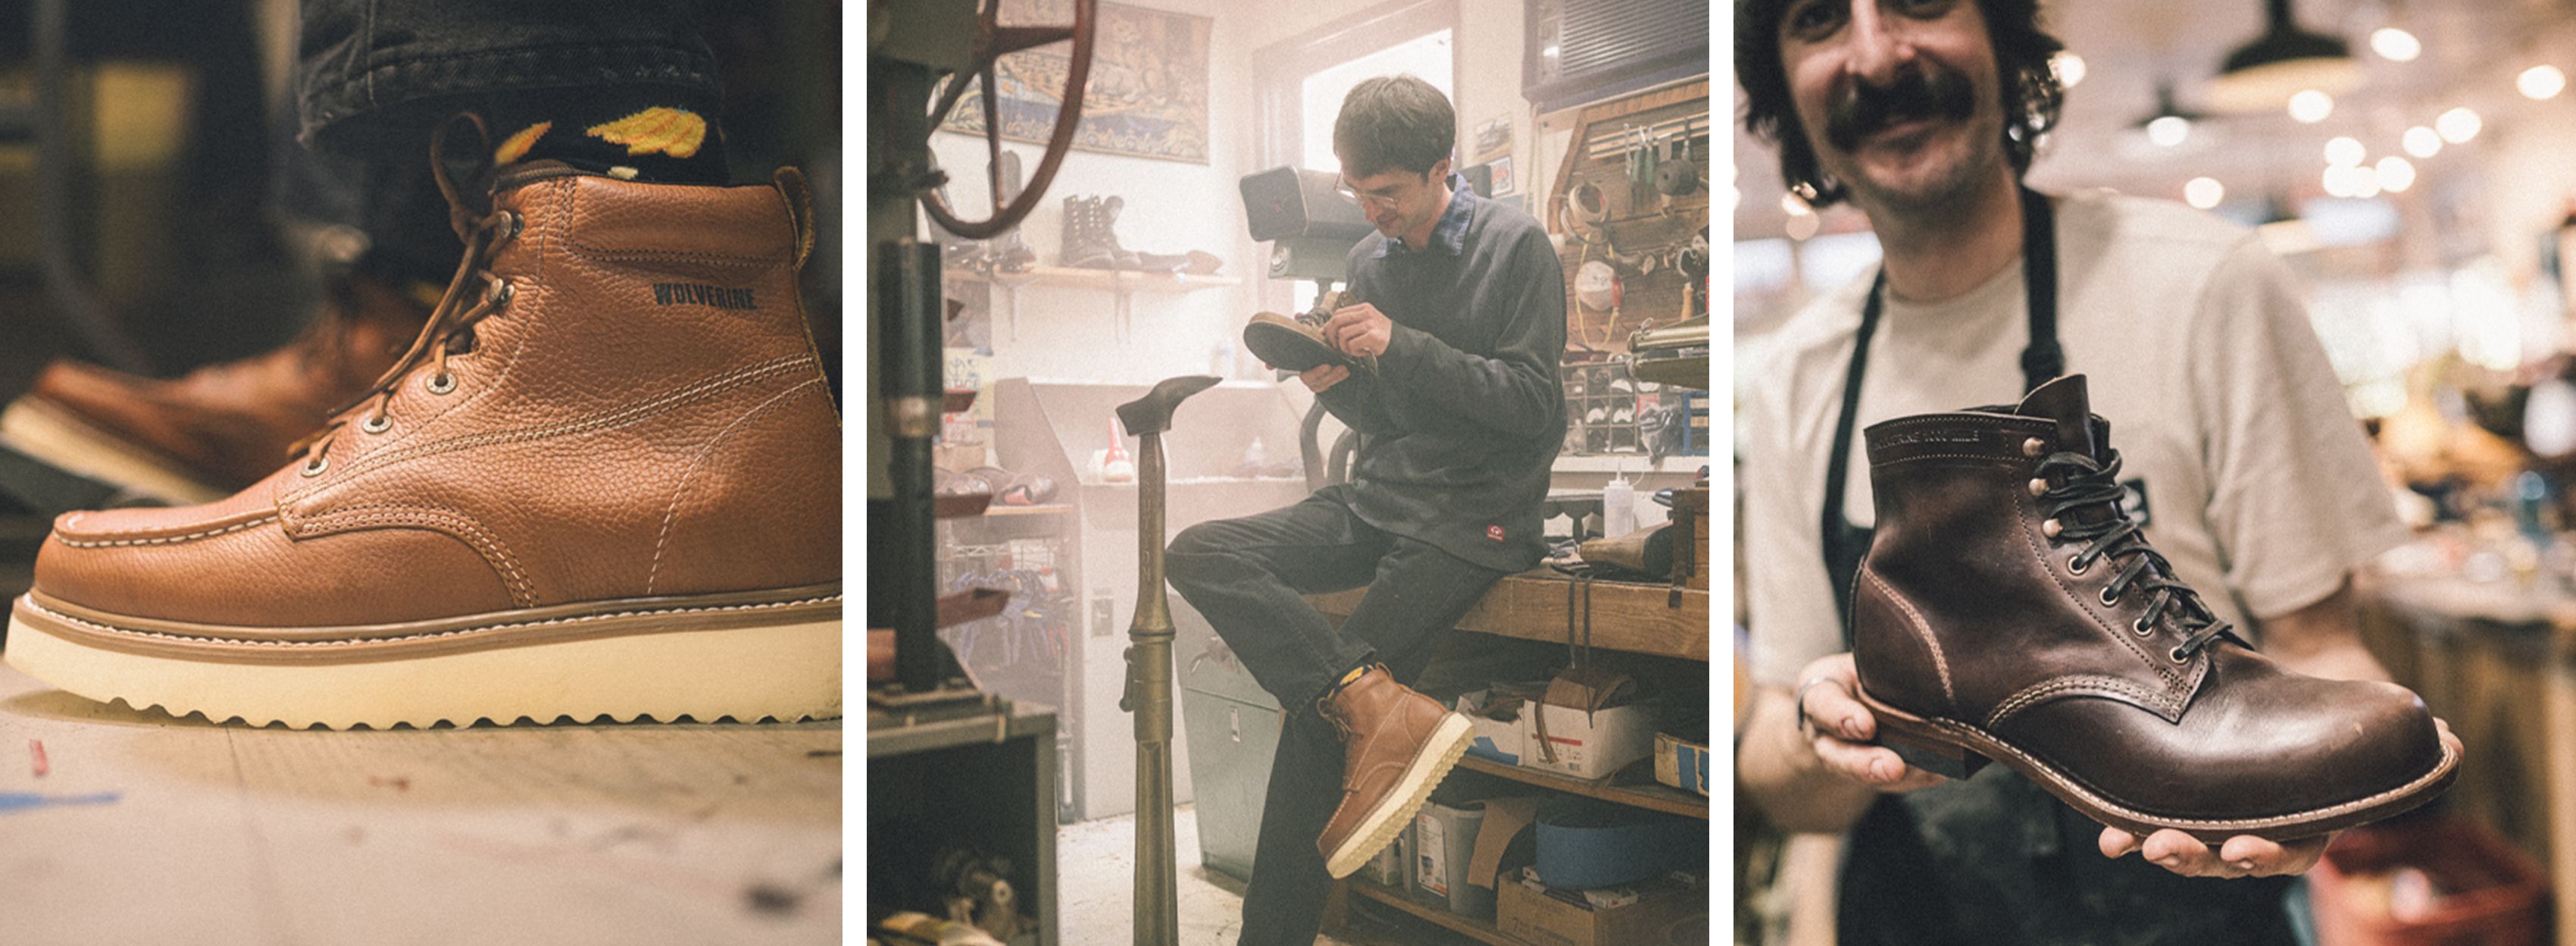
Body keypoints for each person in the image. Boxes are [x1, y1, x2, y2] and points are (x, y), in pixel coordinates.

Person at [1733, 0, 2413, 941]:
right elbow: (1777, 765)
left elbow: (2316, 651)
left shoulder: (2206, 284)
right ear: (1781, 86)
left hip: (2194, 905)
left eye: (1919, 2)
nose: (1876, 54)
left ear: (2002, 39)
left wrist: (2326, 774)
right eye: (1817, 20)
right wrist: (1834, 737)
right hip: (1913, 910)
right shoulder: (1792, 377)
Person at [1162, 74, 1564, 945]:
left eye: (1387, 192)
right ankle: (1369, 698)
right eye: (1357, 191)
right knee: (1199, 552)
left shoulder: (1516, 245)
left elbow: (1535, 406)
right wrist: (1339, 389)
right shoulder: (1367, 262)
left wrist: (1401, 344)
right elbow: (1393, 417)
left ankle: (1266, 937)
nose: (1372, 209)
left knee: (1316, 731)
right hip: (1382, 495)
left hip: (1475, 515)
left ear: (1442, 168)